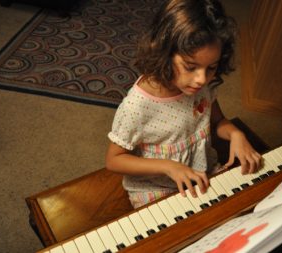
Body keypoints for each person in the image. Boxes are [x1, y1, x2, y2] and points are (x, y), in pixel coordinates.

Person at [105, 0, 262, 209]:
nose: (201, 79)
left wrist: (236, 134)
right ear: (164, 52)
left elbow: (217, 121)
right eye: (190, 66)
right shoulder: (137, 106)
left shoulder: (202, 87)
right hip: (155, 187)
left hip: (202, 171)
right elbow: (114, 160)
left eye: (211, 67)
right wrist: (169, 167)